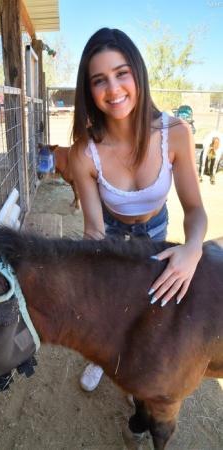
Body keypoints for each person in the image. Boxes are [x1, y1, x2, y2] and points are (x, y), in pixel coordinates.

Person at [69, 28, 207, 392]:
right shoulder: (84, 152)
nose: (113, 90)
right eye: (99, 80)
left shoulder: (175, 133)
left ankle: (138, 368)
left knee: (151, 300)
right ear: (89, 90)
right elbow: (94, 230)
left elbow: (195, 210)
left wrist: (193, 249)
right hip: (112, 231)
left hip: (154, 229)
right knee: (107, 296)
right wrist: (91, 269)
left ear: (138, 74)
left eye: (121, 73)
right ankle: (101, 358)